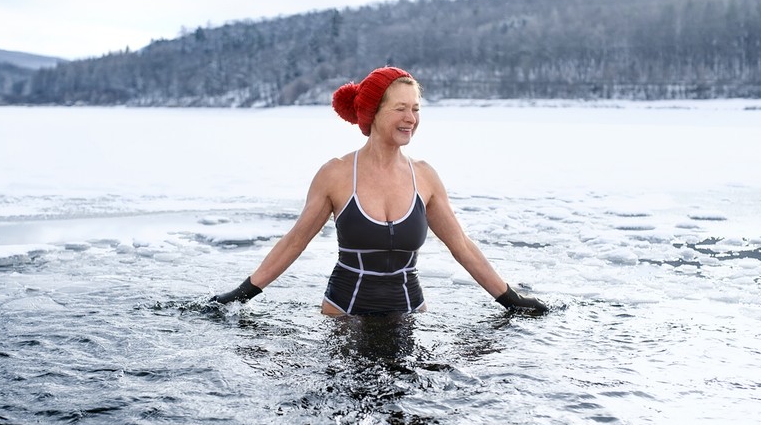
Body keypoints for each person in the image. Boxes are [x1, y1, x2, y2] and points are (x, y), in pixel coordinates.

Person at [210, 66, 547, 315]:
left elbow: (461, 246)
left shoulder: (425, 177)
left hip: (410, 313)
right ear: (373, 113)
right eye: (400, 108)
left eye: (415, 109)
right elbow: (295, 241)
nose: (410, 118)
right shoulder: (337, 174)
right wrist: (242, 294)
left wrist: (510, 299)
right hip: (344, 314)